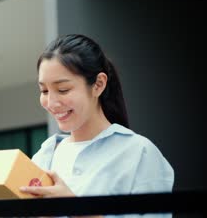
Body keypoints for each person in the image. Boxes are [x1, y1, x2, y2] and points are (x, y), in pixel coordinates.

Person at [19, 34, 174, 215]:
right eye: (44, 90)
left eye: (63, 90)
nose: (51, 102)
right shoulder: (44, 156)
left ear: (98, 84)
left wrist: (76, 209)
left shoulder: (139, 153)